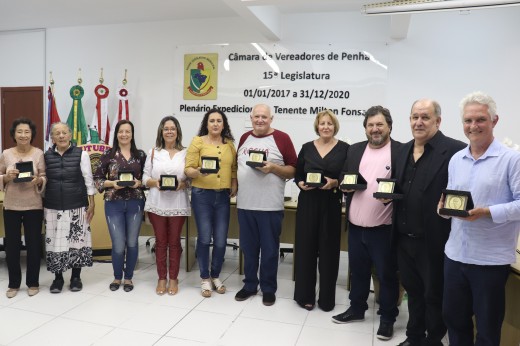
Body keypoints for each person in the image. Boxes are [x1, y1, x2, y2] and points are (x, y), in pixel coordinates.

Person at [440, 92, 520, 346]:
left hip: (489, 262)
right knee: (455, 322)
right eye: (467, 120)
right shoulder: (456, 160)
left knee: (486, 330)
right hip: (454, 256)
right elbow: (453, 199)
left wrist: (489, 212)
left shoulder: (512, 160)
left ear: (494, 121)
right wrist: (443, 207)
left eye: (480, 119)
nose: (473, 126)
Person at [393, 99, 466, 346]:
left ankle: (433, 340)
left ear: (438, 121)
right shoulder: (402, 150)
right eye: (414, 117)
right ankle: (414, 336)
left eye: (425, 117)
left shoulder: (455, 150)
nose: (419, 122)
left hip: (434, 240)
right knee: (412, 293)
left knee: (434, 295)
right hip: (404, 238)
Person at [331, 106, 401, 341]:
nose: (375, 129)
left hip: (384, 229)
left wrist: (394, 195)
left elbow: (405, 187)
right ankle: (357, 308)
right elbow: (344, 176)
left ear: (389, 126)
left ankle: (388, 318)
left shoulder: (401, 151)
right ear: (365, 129)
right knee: (358, 271)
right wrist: (344, 184)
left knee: (386, 275)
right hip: (355, 225)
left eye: (380, 124)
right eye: (370, 125)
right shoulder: (355, 150)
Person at [234, 104, 297, 306]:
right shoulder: (244, 138)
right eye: (256, 117)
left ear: (272, 118)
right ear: (251, 118)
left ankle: (268, 288)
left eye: (264, 117)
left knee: (270, 251)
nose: (260, 120)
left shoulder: (282, 138)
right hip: (245, 205)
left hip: (270, 206)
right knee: (249, 249)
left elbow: (293, 170)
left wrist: (273, 168)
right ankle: (250, 285)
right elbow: (238, 165)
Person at [293, 109, 349, 312]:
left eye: (330, 123)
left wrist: (335, 182)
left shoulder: (345, 149)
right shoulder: (307, 148)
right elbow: (298, 172)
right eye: (322, 123)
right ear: (317, 126)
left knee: (329, 251)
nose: (326, 127)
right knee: (305, 248)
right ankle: (304, 296)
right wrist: (300, 183)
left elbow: (348, 176)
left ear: (335, 126)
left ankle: (326, 299)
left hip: (331, 203)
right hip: (308, 201)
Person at [185, 109, 237, 298]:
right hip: (202, 196)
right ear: (206, 124)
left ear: (224, 124)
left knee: (221, 240)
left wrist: (233, 183)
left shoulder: (229, 145)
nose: (215, 124)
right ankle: (205, 277)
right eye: (212, 121)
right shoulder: (197, 142)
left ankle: (216, 275)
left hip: (222, 196)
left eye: (219, 121)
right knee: (205, 238)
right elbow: (188, 169)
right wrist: (198, 171)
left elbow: (233, 169)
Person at [94, 119, 146, 292]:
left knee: (131, 242)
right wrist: (111, 184)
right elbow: (98, 179)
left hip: (135, 203)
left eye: (127, 131)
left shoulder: (140, 155)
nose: (124, 134)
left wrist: (139, 183)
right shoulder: (108, 155)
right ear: (116, 134)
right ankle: (117, 277)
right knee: (118, 244)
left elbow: (147, 180)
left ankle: (129, 277)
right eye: (121, 131)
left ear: (132, 134)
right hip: (113, 203)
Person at [44, 122, 96, 293]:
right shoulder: (46, 156)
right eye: (57, 133)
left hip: (77, 205)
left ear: (70, 135)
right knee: (55, 244)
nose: (61, 136)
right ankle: (58, 279)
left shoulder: (82, 154)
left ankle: (75, 277)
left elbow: (88, 179)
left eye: (64, 132)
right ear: (52, 137)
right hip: (53, 207)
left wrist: (92, 202)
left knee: (77, 242)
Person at [143, 116, 190, 296]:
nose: (169, 131)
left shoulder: (186, 153)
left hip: (178, 202)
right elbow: (145, 178)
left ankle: (174, 278)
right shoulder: (153, 152)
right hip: (157, 203)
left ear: (177, 131)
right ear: (161, 132)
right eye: (166, 129)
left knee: (175, 242)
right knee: (161, 242)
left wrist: (182, 185)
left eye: (172, 128)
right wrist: (156, 183)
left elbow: (191, 179)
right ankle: (162, 278)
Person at [0, 118, 46, 298]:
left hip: (33, 204)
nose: (23, 135)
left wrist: (39, 180)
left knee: (34, 245)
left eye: (27, 132)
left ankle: (33, 282)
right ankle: (13, 284)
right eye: (19, 132)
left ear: (32, 134)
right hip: (11, 204)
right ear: (14, 134)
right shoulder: (6, 153)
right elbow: (0, 175)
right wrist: (6, 177)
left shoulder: (39, 153)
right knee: (12, 246)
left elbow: (43, 175)